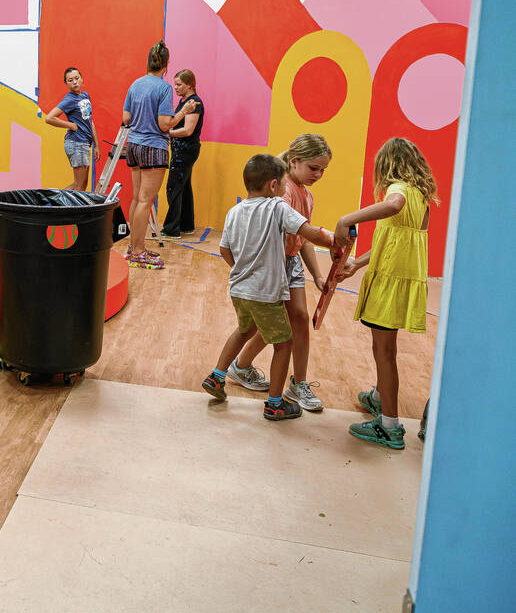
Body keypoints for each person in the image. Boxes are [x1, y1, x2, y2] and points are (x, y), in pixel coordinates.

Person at [201, 154, 337, 421]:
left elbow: (224, 249)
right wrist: (336, 239)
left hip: (239, 289)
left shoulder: (234, 211)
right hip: (265, 292)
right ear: (274, 185)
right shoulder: (277, 206)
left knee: (244, 330)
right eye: (284, 184)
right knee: (284, 343)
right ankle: (275, 404)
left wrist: (241, 270)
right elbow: (309, 233)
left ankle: (217, 376)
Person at [333, 137, 437, 450]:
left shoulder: (399, 190)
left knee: (385, 352)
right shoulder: (421, 197)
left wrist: (347, 219)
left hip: (390, 283)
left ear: (387, 165)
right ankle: (379, 397)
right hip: (401, 280)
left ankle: (389, 426)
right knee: (386, 347)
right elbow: (393, 240)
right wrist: (357, 263)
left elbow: (393, 205)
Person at [121, 41, 196, 268]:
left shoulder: (135, 84)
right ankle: (138, 251)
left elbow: (126, 118)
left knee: (137, 199)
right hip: (153, 148)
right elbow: (165, 124)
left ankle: (134, 247)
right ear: (166, 65)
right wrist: (184, 111)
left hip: (133, 145)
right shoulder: (163, 88)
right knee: (146, 201)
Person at [160, 69, 205, 240]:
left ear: (189, 85)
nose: (176, 87)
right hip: (181, 150)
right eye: (175, 84)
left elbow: (187, 130)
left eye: (179, 84)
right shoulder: (183, 102)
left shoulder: (194, 103)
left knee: (174, 187)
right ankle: (187, 225)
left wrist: (166, 133)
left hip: (185, 151)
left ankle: (171, 229)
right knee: (184, 187)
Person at [44, 66, 94, 191]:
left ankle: (54, 201)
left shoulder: (85, 96)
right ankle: (55, 202)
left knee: (81, 185)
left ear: (82, 79)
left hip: (84, 143)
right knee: (79, 186)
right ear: (66, 83)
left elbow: (90, 120)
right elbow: (49, 118)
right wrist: (70, 125)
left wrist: (96, 145)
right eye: (70, 80)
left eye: (77, 78)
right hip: (76, 143)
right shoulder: (70, 99)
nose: (75, 82)